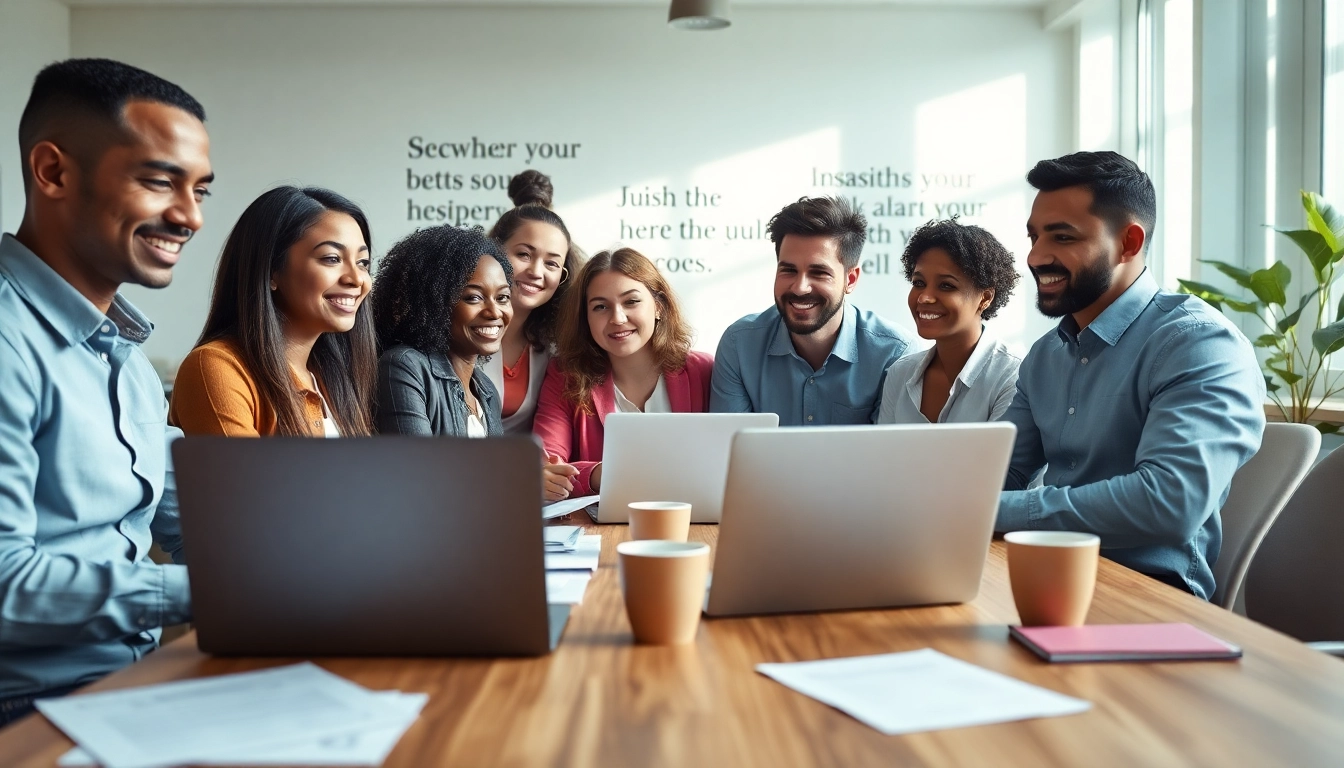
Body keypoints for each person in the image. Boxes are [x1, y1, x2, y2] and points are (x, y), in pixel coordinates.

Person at [0, 58, 212, 724]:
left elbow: (199, 516)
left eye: (200, 192)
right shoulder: (8, 338)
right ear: (54, 172)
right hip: (29, 710)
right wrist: (227, 592)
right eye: (159, 182)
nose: (189, 218)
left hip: (125, 683)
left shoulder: (124, 353)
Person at [997, 151, 1265, 600]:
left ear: (1129, 243)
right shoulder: (1046, 355)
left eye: (1062, 237)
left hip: (1150, 596)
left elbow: (1168, 502)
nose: (1036, 256)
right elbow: (997, 472)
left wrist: (988, 510)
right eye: (1034, 236)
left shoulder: (1198, 344)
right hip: (1050, 575)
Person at [169, 187, 377, 437]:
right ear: (271, 271)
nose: (356, 279)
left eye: (363, 263)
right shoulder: (216, 367)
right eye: (332, 258)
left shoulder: (335, 377)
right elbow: (243, 477)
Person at [710, 196, 914, 425]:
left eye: (819, 273)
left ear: (851, 279)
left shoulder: (895, 354)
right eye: (788, 270)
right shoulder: (739, 345)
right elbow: (728, 448)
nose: (800, 287)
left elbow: (889, 456)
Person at [532, 247, 713, 496]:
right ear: (585, 317)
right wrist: (598, 474)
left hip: (690, 518)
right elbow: (546, 466)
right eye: (600, 307)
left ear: (658, 306)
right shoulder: (565, 376)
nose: (617, 318)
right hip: (601, 528)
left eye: (631, 302)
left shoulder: (704, 370)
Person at [373, 225, 513, 440]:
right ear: (433, 303)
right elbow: (418, 469)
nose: (495, 312)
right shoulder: (404, 366)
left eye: (502, 297)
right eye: (473, 298)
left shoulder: (487, 391)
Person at [876, 219, 1022, 424]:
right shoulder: (900, 373)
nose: (924, 297)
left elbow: (998, 457)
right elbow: (885, 453)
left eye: (946, 286)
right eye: (919, 283)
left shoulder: (1011, 374)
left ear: (985, 298)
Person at [482, 171, 585, 434]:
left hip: (527, 472)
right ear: (494, 251)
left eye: (551, 263)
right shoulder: (453, 330)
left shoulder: (558, 345)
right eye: (524, 255)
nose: (537, 272)